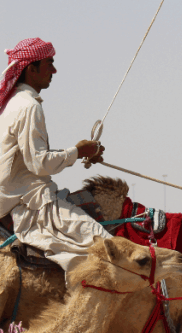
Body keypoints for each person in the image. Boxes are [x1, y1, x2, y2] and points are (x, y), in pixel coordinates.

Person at [0, 38, 107, 271]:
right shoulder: (29, 107)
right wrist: (78, 151)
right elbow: (39, 164)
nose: (54, 70)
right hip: (27, 201)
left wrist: (77, 152)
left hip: (16, 194)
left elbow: (30, 157)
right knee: (109, 249)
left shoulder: (13, 102)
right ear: (32, 69)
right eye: (49, 63)